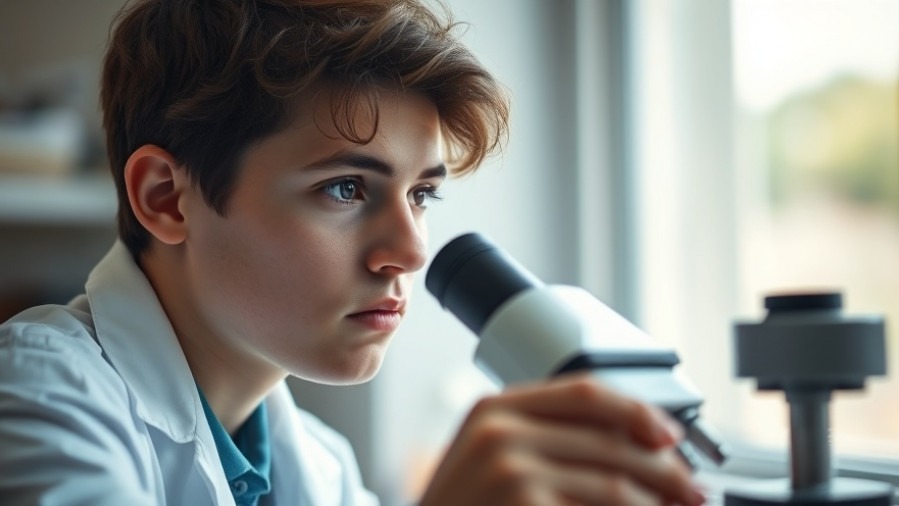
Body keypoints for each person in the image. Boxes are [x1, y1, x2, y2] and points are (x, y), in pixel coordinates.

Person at [0, 0, 705, 505]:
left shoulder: (321, 468)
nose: (408, 251)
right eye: (344, 188)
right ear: (165, 197)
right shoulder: (35, 395)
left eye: (422, 195)